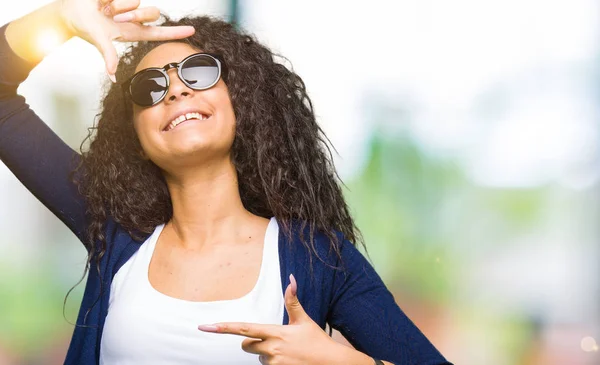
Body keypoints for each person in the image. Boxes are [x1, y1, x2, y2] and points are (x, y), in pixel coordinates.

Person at [0, 0, 452, 364]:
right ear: (134, 137)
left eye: (199, 72)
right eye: (150, 88)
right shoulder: (114, 232)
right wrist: (60, 17)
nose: (175, 90)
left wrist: (342, 363)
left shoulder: (319, 259)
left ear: (240, 105)